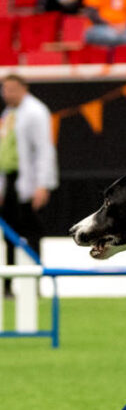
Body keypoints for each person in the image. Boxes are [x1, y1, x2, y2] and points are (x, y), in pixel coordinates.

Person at [0, 73, 58, 275]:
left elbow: (44, 150)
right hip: (10, 180)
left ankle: (34, 279)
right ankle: (7, 282)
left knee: (32, 232)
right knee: (8, 233)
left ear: (24, 89)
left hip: (29, 182)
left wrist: (42, 184)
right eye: (4, 89)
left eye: (11, 89)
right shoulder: (9, 113)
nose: (6, 94)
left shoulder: (36, 112)